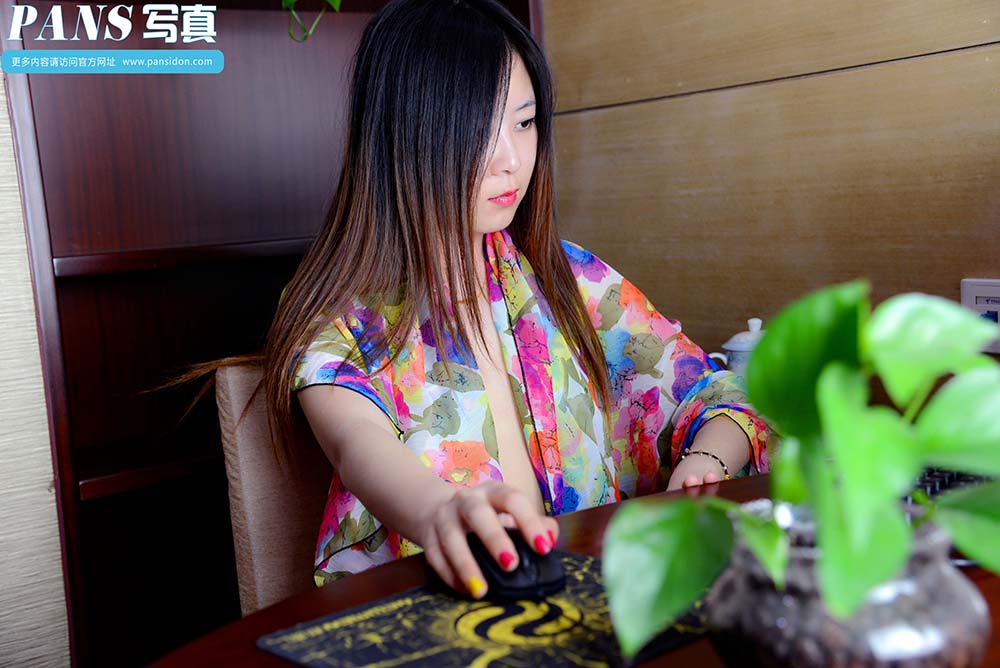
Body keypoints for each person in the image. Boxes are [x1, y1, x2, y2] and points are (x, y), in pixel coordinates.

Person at [259, 0, 771, 600]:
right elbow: (356, 443)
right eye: (480, 129)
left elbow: (715, 391)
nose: (512, 160)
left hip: (586, 605)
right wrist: (438, 512)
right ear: (406, 133)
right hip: (431, 620)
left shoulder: (568, 278)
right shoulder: (340, 316)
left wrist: (707, 462)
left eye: (524, 124)